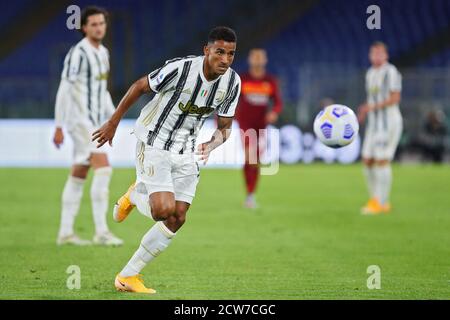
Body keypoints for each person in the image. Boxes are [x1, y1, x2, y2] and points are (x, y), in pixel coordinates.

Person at [92, 26, 241, 293]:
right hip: (153, 142)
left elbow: (225, 127)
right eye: (219, 52)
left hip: (186, 149)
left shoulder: (232, 83)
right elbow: (140, 86)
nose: (225, 60)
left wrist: (213, 143)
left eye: (231, 54)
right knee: (162, 210)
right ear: (206, 51)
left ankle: (128, 276)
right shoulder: (181, 69)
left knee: (177, 217)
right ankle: (136, 194)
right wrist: (113, 122)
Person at [53, 6, 123, 246]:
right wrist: (59, 125)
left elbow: (102, 91)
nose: (98, 28)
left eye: (101, 23)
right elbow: (65, 87)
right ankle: (101, 232)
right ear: (84, 28)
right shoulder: (78, 53)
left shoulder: (103, 53)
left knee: (79, 172)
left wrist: (113, 118)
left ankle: (65, 233)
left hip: (94, 121)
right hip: (79, 121)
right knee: (104, 169)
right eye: (93, 24)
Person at [358, 42, 402, 215]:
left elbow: (395, 98)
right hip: (374, 125)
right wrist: (364, 112)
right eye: (373, 53)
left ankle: (381, 202)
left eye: (379, 53)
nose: (376, 56)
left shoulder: (391, 72)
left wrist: (372, 107)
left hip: (388, 123)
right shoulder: (370, 73)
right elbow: (372, 99)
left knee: (382, 161)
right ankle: (374, 199)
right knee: (367, 160)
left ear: (386, 55)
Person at [235, 48, 282, 208]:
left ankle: (250, 194)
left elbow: (278, 102)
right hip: (245, 123)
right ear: (250, 60)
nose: (257, 60)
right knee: (250, 156)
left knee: (256, 160)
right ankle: (249, 195)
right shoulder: (243, 79)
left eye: (260, 57)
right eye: (254, 57)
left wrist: (274, 112)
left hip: (261, 125)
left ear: (265, 60)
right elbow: (233, 100)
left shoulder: (270, 81)